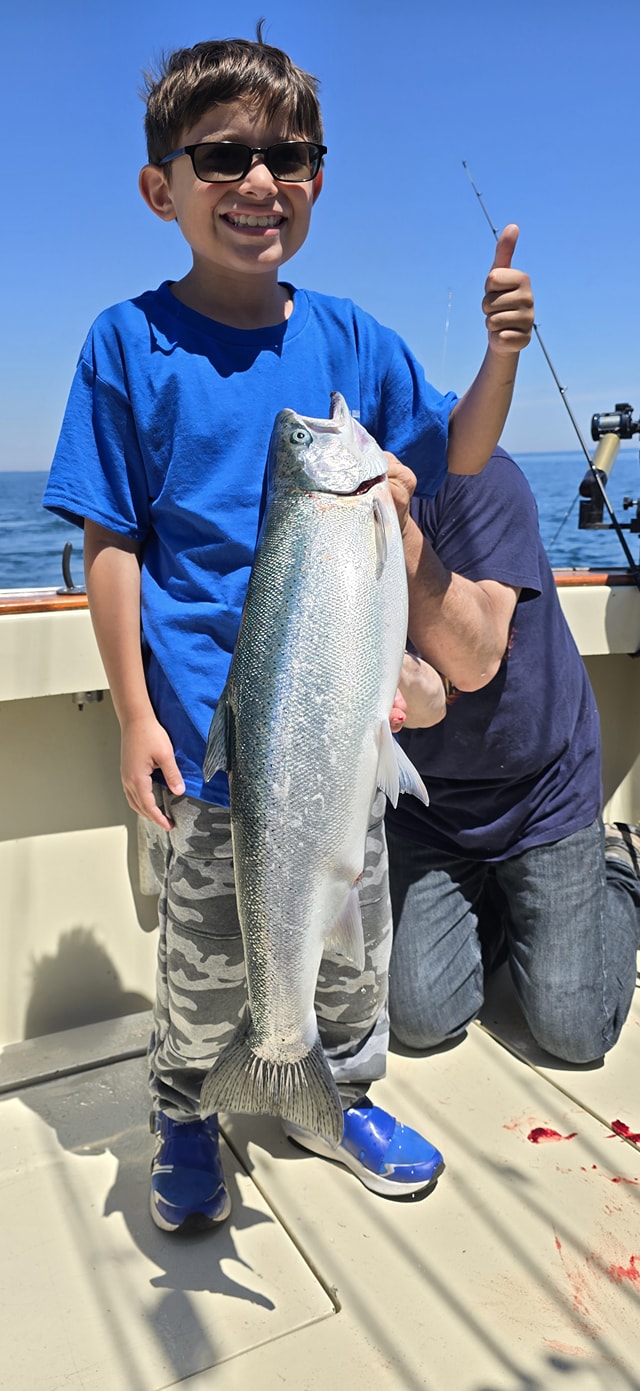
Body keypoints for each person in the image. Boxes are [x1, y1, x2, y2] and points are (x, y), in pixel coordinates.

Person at [43, 30, 534, 1234]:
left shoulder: (352, 337)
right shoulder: (126, 343)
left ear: (316, 179)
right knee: (206, 953)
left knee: (347, 932)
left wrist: (500, 354)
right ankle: (187, 1110)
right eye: (222, 157)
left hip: (342, 727)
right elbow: (111, 542)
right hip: (213, 736)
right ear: (163, 187)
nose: (259, 182)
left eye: (289, 156)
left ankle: (336, 1086)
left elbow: (456, 450)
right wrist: (135, 715)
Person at [386, 446, 640, 1063]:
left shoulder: (483, 476)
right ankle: (498, 903)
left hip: (541, 789)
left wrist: (396, 525)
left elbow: (477, 658)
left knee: (574, 1033)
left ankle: (620, 866)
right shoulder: (305, 517)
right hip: (428, 805)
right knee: (419, 1021)